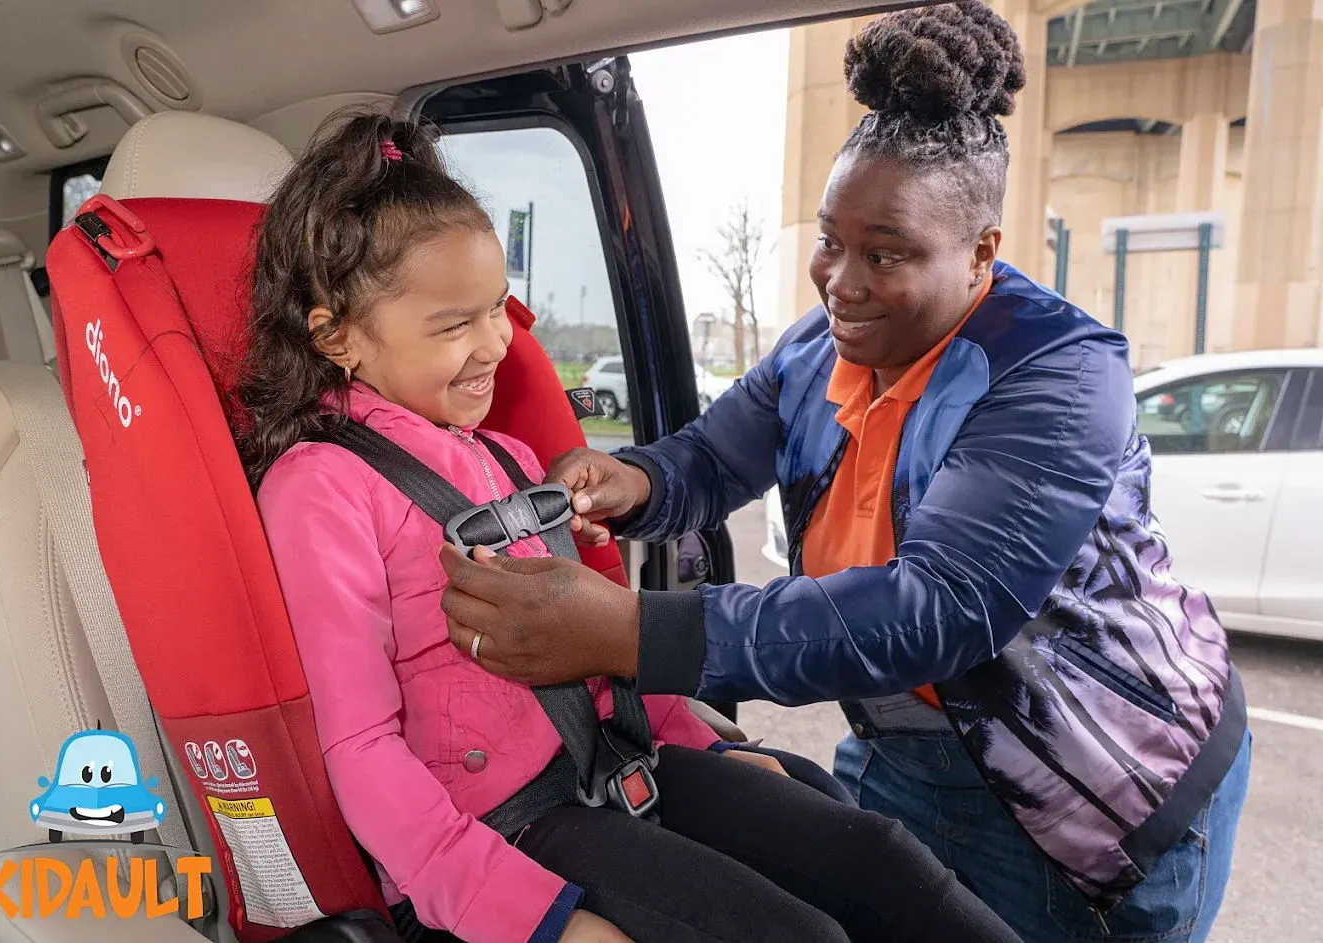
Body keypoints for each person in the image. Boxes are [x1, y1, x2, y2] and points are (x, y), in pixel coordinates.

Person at [437, 5, 1251, 942]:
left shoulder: (1059, 375)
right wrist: (638, 481)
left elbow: (937, 608)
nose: (840, 280)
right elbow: (709, 456)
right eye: (832, 239)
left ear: (981, 252)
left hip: (1099, 788)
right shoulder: (819, 348)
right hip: (910, 747)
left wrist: (630, 631)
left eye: (886, 253)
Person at [236, 111, 1022, 943]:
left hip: (618, 760)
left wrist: (700, 744)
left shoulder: (503, 456)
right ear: (338, 337)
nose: (497, 343)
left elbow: (597, 651)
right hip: (502, 831)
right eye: (454, 325)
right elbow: (358, 748)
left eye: (498, 308)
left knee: (879, 857)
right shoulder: (320, 488)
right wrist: (528, 917)